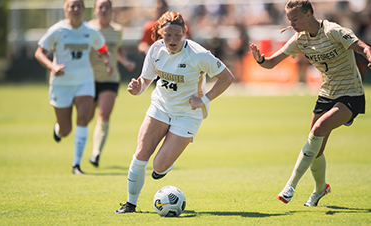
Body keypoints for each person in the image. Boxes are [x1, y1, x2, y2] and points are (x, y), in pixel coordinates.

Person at [250, 0, 370, 207]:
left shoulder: (334, 31)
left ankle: (290, 185)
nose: (292, 24)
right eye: (289, 20)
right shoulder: (299, 40)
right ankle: (320, 189)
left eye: (294, 19)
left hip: (350, 94)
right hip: (326, 94)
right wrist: (260, 60)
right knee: (317, 150)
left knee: (318, 128)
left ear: (308, 14)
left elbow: (363, 47)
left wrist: (369, 55)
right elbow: (271, 63)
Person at [114, 11, 235, 214]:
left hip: (188, 114)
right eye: (167, 35)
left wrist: (204, 99)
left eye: (177, 35)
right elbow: (145, 80)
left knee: (158, 166)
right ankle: (130, 204)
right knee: (141, 154)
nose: (172, 40)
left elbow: (227, 78)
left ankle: (163, 166)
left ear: (185, 32)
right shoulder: (155, 50)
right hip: (160, 107)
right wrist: (137, 89)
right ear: (160, 33)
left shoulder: (198, 54)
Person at [34, 0, 112, 175]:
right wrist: (52, 67)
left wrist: (106, 60)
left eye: (79, 6)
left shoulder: (90, 31)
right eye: (72, 6)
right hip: (61, 84)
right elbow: (39, 52)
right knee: (66, 130)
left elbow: (102, 47)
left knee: (83, 119)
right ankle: (58, 129)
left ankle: (76, 165)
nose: (76, 9)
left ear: (84, 9)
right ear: (66, 10)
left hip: (84, 81)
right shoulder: (58, 30)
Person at [87, 0, 136, 168]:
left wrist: (126, 62)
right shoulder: (87, 29)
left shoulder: (117, 30)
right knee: (86, 118)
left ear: (111, 10)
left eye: (107, 7)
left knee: (104, 116)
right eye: (100, 7)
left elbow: (118, 50)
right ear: (95, 10)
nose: (103, 10)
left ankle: (96, 154)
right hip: (89, 79)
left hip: (110, 79)